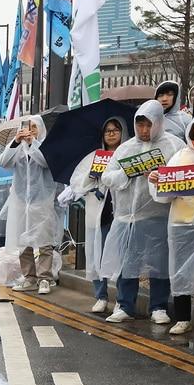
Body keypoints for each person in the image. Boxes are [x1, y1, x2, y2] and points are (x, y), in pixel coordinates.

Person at [100, 100, 183, 323]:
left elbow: (180, 178)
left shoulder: (174, 146)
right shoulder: (125, 148)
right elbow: (107, 177)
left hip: (158, 215)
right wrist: (129, 173)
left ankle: (158, 306)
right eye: (140, 125)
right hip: (128, 217)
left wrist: (158, 177)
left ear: (158, 123)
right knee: (129, 262)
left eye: (149, 125)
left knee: (159, 262)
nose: (144, 131)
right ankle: (125, 305)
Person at [149, 108, 194, 336]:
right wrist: (157, 180)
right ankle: (183, 317)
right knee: (181, 271)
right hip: (181, 224)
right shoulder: (180, 156)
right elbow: (165, 194)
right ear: (191, 130)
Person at [0, 116, 61, 294]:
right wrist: (16, 141)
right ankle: (29, 277)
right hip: (21, 201)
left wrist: (32, 143)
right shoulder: (18, 150)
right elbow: (5, 161)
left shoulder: (47, 146)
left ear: (40, 129)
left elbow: (44, 162)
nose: (30, 130)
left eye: (34, 128)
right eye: (27, 127)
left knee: (44, 241)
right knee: (23, 240)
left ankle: (45, 277)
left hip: (42, 200)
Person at [69, 116, 126, 314]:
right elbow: (77, 184)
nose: (111, 134)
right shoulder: (94, 156)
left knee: (120, 255)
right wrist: (92, 176)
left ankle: (122, 298)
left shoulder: (127, 152)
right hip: (97, 212)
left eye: (115, 130)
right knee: (96, 254)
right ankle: (101, 296)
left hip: (119, 212)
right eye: (107, 131)